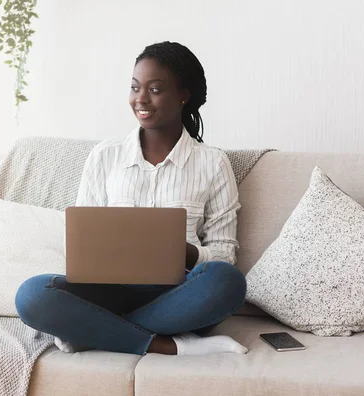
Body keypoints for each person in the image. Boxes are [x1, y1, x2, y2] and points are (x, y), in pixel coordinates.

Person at [15, 41, 248, 356]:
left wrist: (184, 253)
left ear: (183, 95)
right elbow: (80, 243)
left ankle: (98, 332)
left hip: (180, 294)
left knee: (228, 282)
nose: (141, 99)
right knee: (31, 295)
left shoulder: (213, 163)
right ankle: (164, 344)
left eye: (154, 89)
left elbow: (224, 256)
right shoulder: (105, 156)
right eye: (135, 87)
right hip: (108, 291)